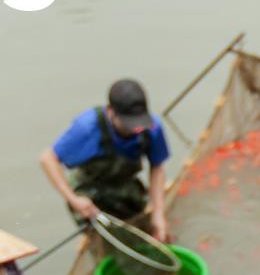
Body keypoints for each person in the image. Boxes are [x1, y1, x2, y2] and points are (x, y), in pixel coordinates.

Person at [40, 78, 171, 241]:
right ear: (110, 111)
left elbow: (157, 167)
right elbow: (48, 159)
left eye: (139, 123)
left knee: (146, 234)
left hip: (125, 186)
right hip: (90, 193)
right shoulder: (87, 128)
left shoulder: (152, 128)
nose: (136, 129)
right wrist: (73, 200)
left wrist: (158, 213)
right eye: (129, 124)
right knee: (106, 243)